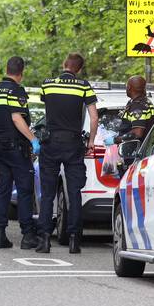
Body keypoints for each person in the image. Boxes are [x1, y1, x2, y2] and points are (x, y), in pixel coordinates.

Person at [36, 53, 98, 254]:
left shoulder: (47, 84)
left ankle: (44, 239)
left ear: (64, 64)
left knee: (47, 194)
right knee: (74, 193)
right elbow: (94, 117)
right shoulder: (83, 86)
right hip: (73, 144)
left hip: (51, 143)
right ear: (79, 69)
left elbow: (46, 104)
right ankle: (74, 240)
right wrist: (90, 142)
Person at [0, 56, 41, 249]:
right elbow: (17, 118)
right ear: (21, 72)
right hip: (15, 148)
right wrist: (33, 139)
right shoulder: (16, 90)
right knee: (25, 190)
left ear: (7, 69)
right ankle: (27, 235)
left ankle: (0, 234)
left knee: (3, 189)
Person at [120, 75, 154, 140]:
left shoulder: (137, 106)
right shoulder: (145, 102)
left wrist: (116, 140)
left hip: (135, 147)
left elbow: (138, 133)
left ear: (129, 87)